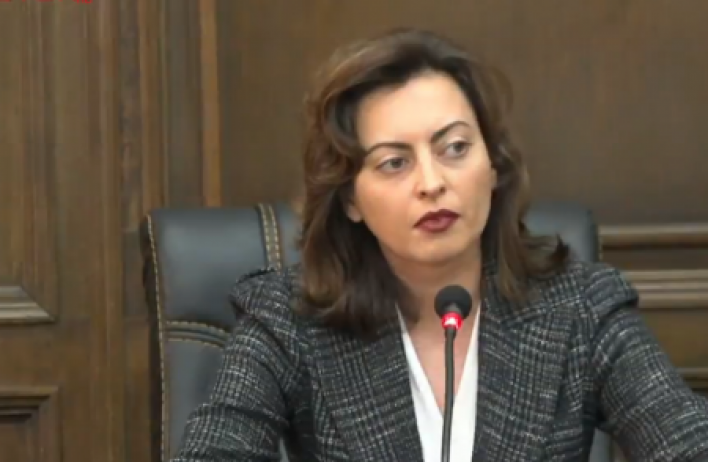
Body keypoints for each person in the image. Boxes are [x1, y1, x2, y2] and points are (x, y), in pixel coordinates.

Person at [172, 28, 708, 462]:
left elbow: (686, 442)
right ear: (351, 198)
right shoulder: (288, 321)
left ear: (491, 166)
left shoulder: (582, 308)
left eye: (454, 148)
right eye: (394, 162)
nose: (431, 183)